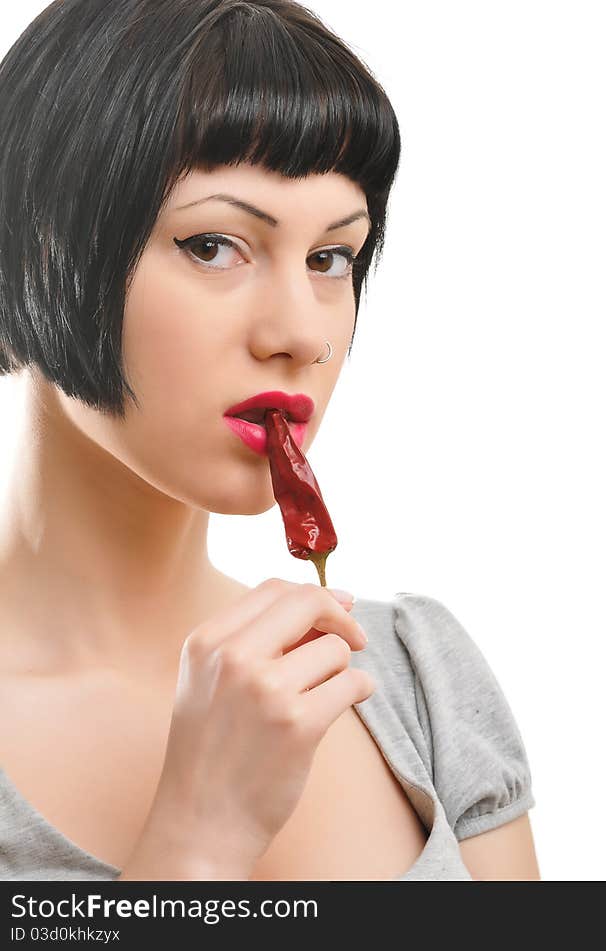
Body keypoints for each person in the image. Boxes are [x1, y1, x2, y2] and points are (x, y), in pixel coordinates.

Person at [0, 0, 539, 881]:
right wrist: (198, 836)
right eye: (214, 244)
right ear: (34, 249)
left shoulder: (414, 678)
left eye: (332, 257)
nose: (299, 332)